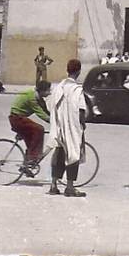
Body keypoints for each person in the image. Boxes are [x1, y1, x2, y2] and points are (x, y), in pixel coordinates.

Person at [46, 59, 88, 197]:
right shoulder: (77, 90)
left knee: (59, 153)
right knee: (73, 154)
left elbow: (51, 104)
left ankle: (53, 185)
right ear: (79, 71)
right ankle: (70, 187)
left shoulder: (59, 87)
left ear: (67, 70)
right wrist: (83, 125)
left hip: (59, 125)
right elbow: (81, 110)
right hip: (72, 126)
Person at [10, 80, 52, 177]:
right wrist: (53, 121)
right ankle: (32, 158)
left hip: (20, 118)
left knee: (31, 142)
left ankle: (26, 165)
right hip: (16, 119)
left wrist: (57, 118)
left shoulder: (39, 98)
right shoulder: (32, 98)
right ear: (41, 91)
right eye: (48, 91)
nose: (49, 93)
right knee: (39, 129)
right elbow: (41, 114)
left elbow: (46, 111)